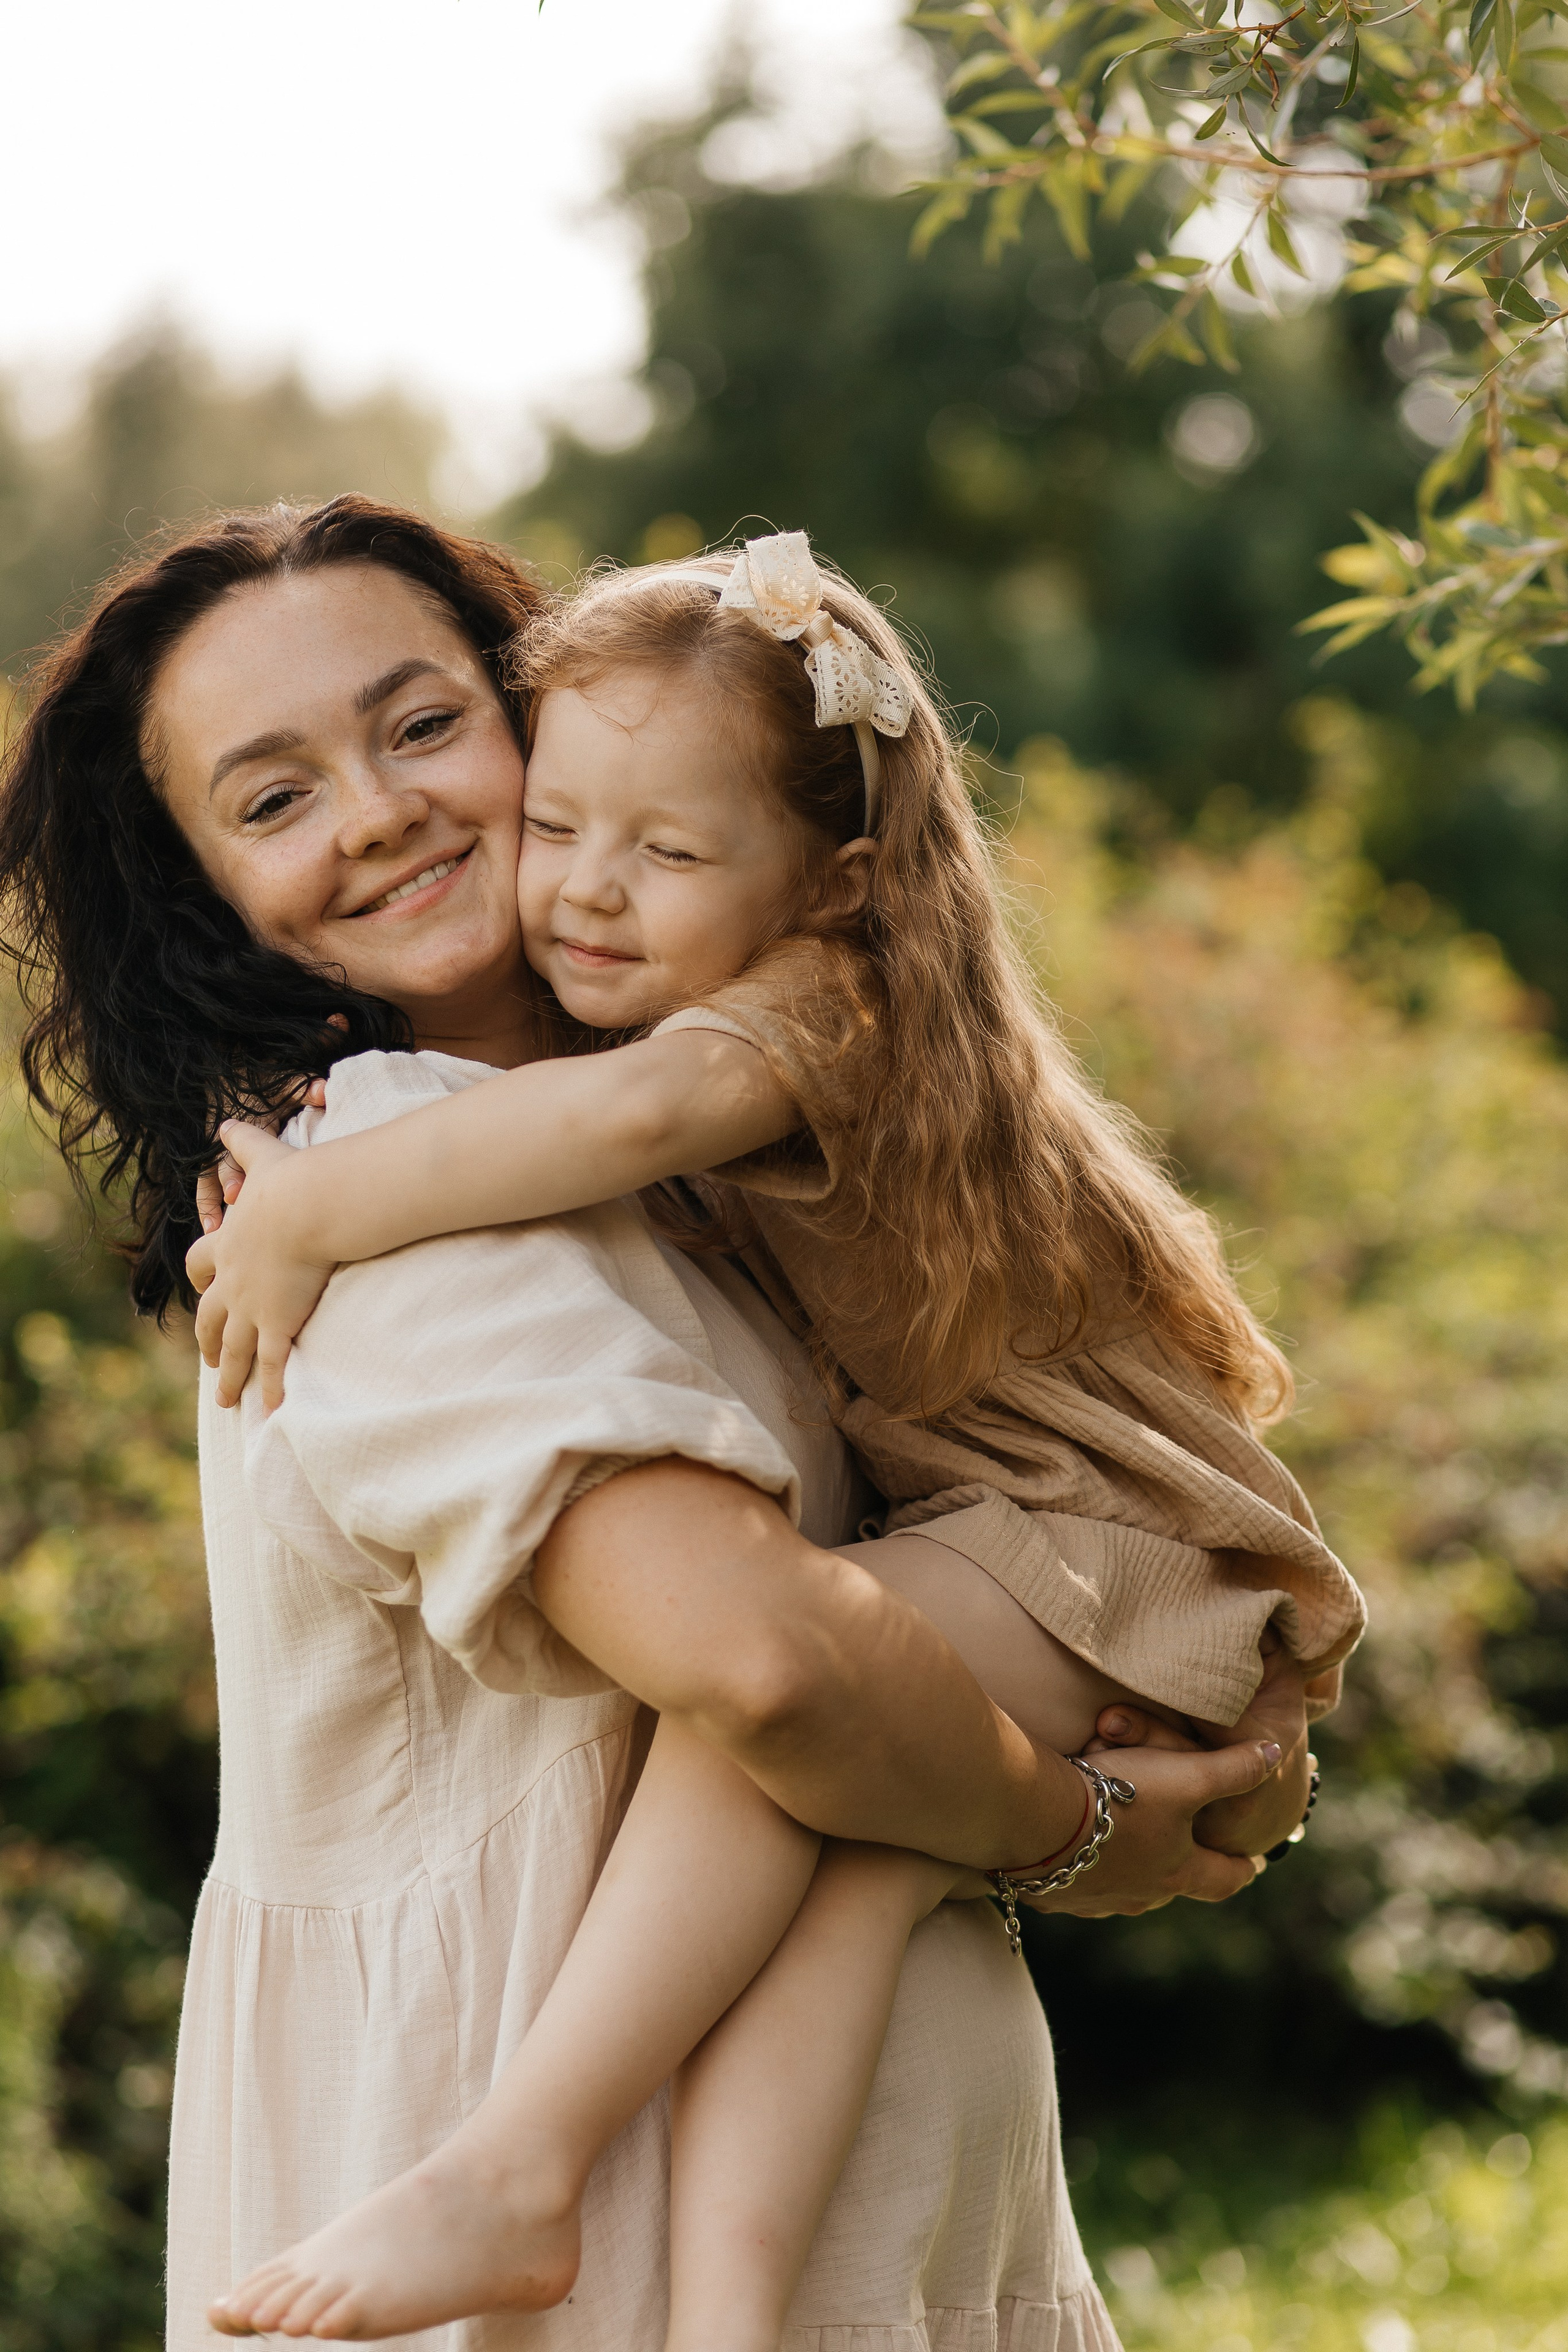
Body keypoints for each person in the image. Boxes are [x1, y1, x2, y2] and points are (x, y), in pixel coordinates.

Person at [0, 499, 1289, 2352]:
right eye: (272, 800)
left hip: (856, 2223)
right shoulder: (380, 1165)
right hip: (611, 2234)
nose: (374, 814)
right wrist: (1066, 1821)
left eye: (424, 724)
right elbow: (776, 1674)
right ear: (198, 886)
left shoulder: (706, 1134)